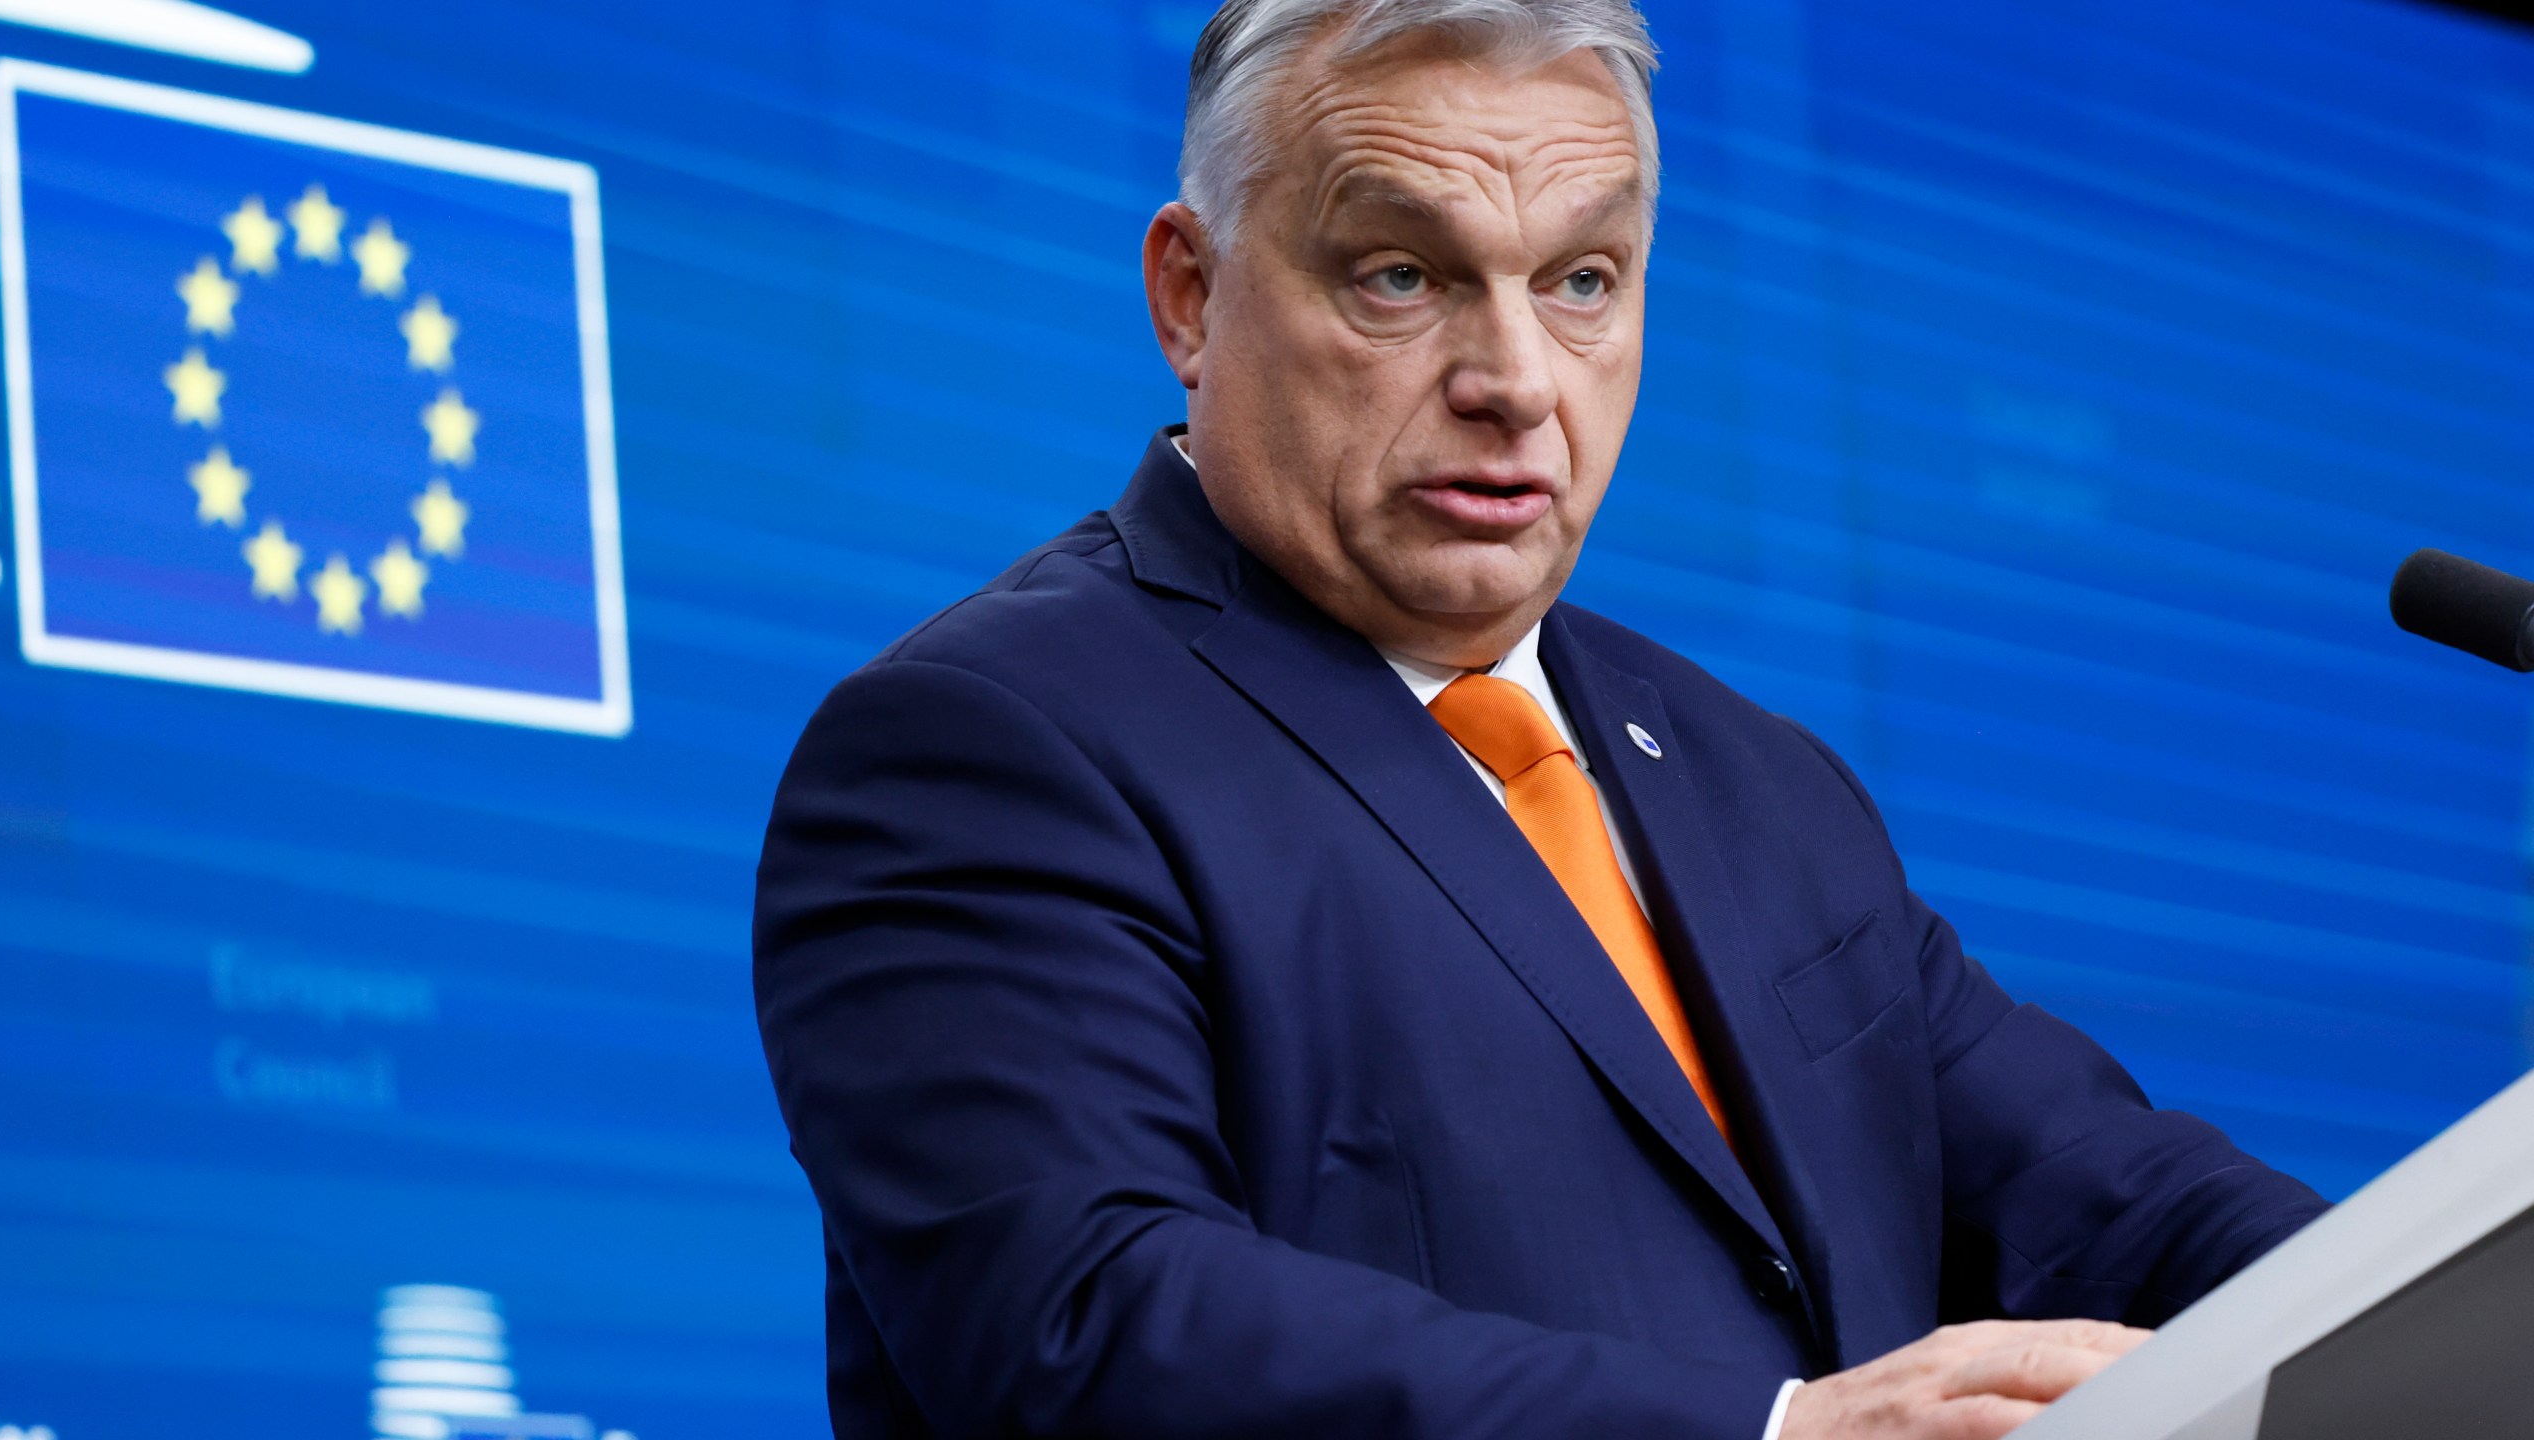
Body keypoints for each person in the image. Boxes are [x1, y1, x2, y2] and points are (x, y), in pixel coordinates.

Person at [751, 2, 2329, 1436]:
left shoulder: (1754, 775)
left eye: (1581, 281)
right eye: (1401, 275)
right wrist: (1772, 1437)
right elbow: (1086, 1325)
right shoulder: (989, 743)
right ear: (1191, 293)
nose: (1515, 378)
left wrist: (2429, 1301)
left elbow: (2104, 1196)